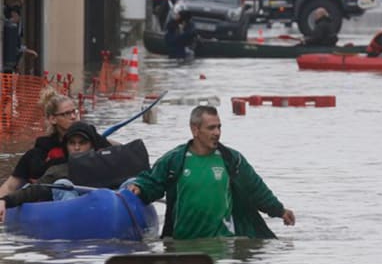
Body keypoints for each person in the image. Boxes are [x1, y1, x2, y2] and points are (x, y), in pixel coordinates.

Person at [127, 105, 295, 239]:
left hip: (223, 242)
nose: (217, 133)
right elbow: (153, 181)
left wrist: (280, 211)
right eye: (211, 128)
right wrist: (140, 187)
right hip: (183, 242)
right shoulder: (175, 159)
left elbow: (256, 189)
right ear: (195, 130)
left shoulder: (231, 159)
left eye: (219, 127)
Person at [0, 88, 107, 198]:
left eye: (74, 112)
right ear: (52, 119)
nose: (74, 117)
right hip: (57, 197)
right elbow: (10, 187)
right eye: (67, 114)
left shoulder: (94, 138)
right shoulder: (38, 153)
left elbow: (117, 154)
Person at [0, 122, 121, 219]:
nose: (77, 147)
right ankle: (75, 217)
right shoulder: (59, 170)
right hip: (74, 214)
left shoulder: (107, 165)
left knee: (129, 183)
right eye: (72, 143)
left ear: (92, 146)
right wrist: (5, 201)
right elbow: (35, 189)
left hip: (107, 209)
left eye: (82, 143)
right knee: (62, 184)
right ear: (66, 147)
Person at [2, 7, 37, 74]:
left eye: (14, 16)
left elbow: (17, 45)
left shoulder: (16, 28)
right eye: (12, 16)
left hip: (12, 61)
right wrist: (28, 51)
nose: (12, 18)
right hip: (8, 62)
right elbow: (16, 46)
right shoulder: (9, 28)